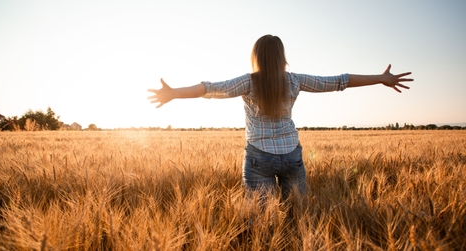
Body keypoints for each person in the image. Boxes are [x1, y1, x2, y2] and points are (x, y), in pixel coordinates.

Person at [147, 34, 413, 202]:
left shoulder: (248, 82)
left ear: (256, 57)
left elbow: (210, 88)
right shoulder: (295, 80)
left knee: (262, 222)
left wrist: (174, 93)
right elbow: (338, 82)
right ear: (282, 57)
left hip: (259, 157)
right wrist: (380, 78)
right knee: (298, 214)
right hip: (292, 156)